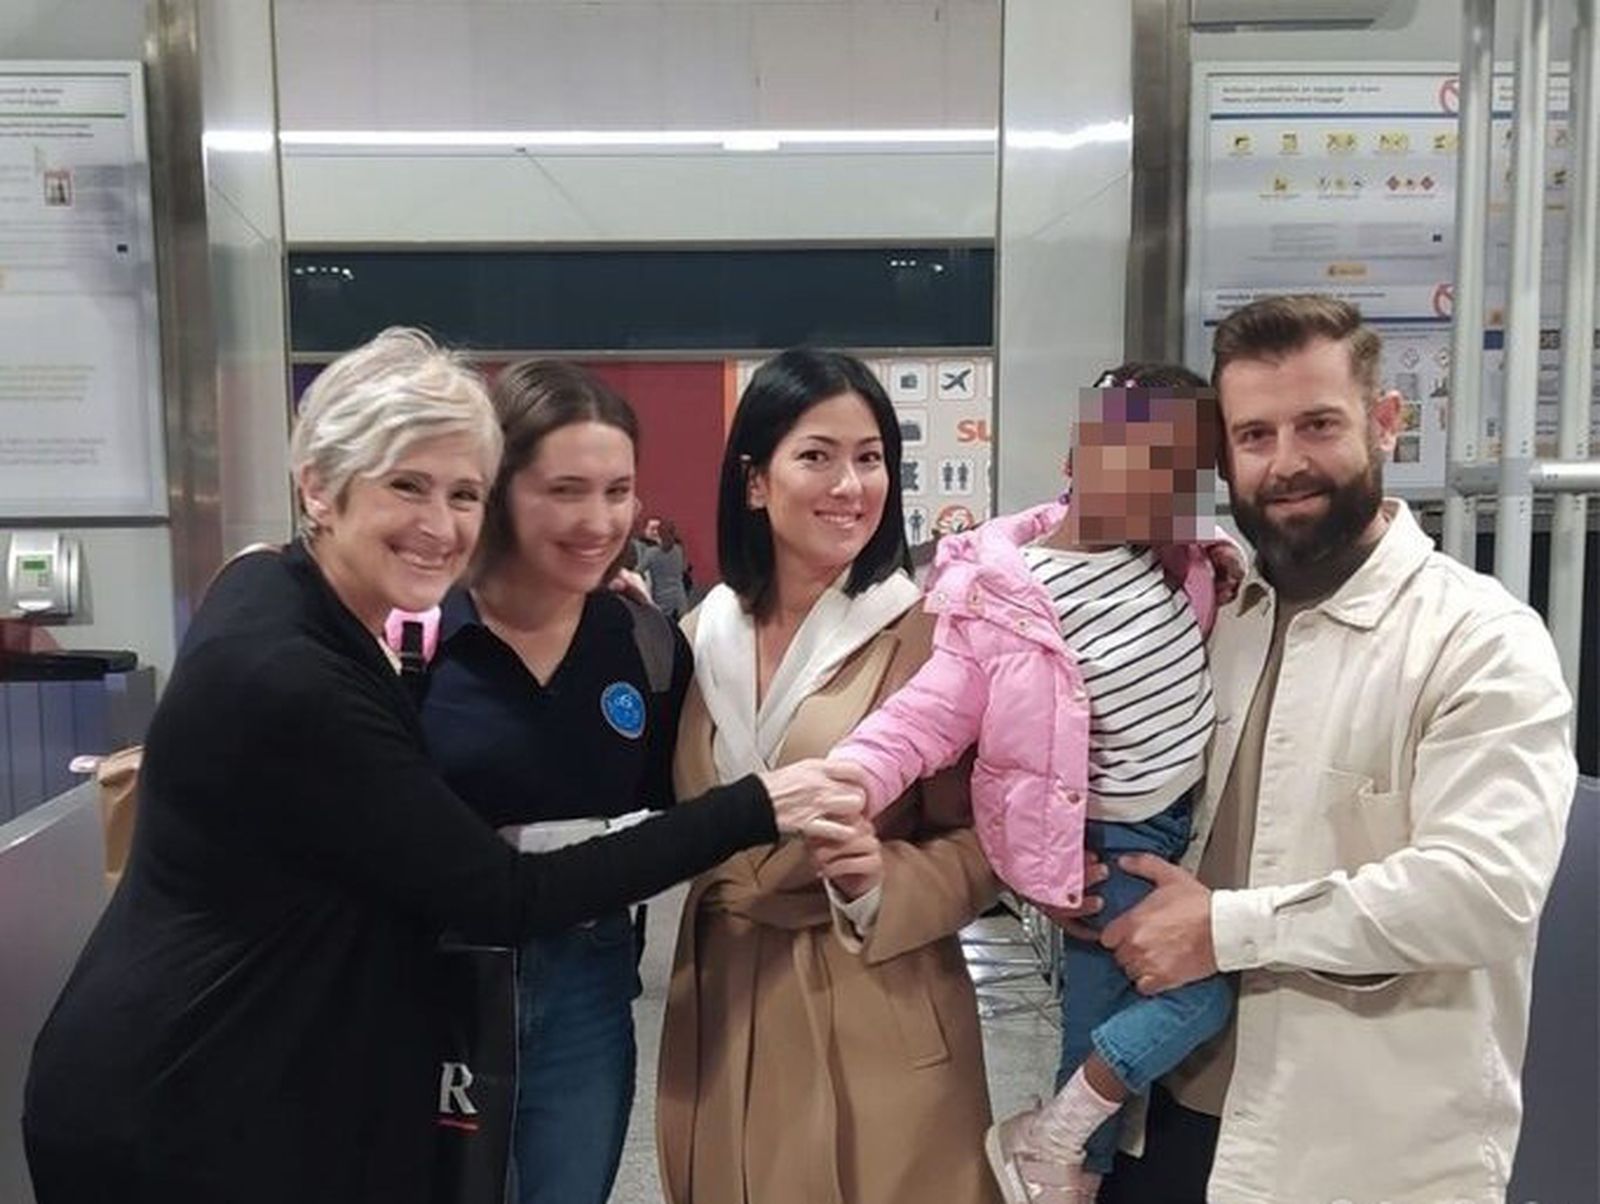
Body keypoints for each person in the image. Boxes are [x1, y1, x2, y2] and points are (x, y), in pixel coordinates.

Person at [21, 329, 868, 1204]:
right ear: (317, 485)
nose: (440, 526)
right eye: (407, 486)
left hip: (273, 1054)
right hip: (190, 1091)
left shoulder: (274, 588)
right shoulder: (299, 674)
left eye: (462, 493)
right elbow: (506, 895)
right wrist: (757, 805)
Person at [1089, 295, 1577, 1204]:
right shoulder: (1215, 619)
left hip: (1356, 1155)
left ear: (1384, 422)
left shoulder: (1477, 637)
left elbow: (1484, 892)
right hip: (1161, 1122)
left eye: (1318, 425)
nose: (1287, 464)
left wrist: (1226, 929)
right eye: (1255, 434)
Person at [830, 363, 1241, 1203]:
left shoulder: (1180, 561)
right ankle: (1054, 1137)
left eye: (1181, 471)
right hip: (1109, 847)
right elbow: (928, 715)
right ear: (1078, 453)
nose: (1154, 484)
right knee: (1203, 998)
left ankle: (1059, 1166)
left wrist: (1219, 550)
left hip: (1180, 830)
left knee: (1087, 1031)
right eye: (1134, 455)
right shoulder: (1004, 593)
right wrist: (851, 779)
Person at [656, 348, 1002, 1204]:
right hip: (725, 1003)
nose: (850, 484)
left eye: (871, 457)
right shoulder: (698, 636)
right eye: (817, 455)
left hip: (877, 1005)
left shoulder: (929, 636)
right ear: (755, 482)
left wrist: (885, 880)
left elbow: (991, 842)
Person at [410, 361, 681, 1204]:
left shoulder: (640, 638)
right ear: (497, 488)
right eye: (565, 489)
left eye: (618, 490)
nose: (598, 521)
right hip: (428, 976)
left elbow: (679, 803)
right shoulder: (416, 632)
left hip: (588, 976)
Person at [639, 516, 691, 618]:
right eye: (652, 529)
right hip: (679, 600)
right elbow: (684, 569)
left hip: (660, 602)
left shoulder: (651, 552)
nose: (654, 532)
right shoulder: (678, 550)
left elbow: (638, 570)